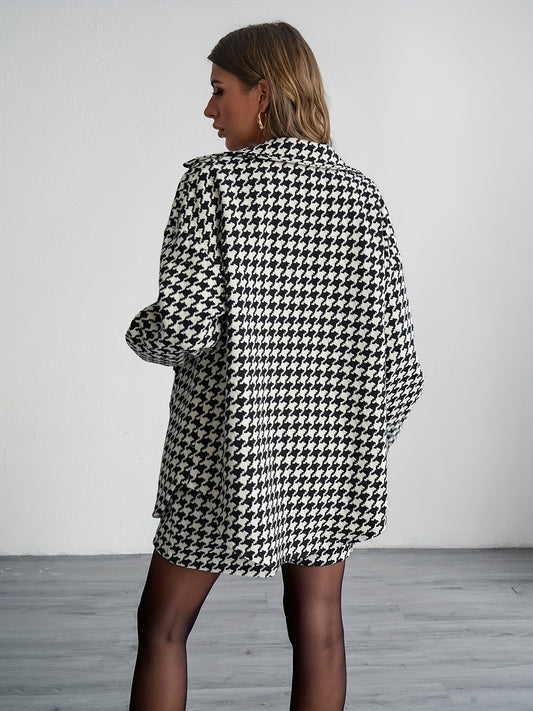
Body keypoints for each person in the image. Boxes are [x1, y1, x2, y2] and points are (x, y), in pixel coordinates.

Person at [125, 21, 423, 711]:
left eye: (218, 90)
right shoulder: (361, 196)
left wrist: (139, 330)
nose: (208, 109)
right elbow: (400, 365)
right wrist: (349, 442)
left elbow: (186, 327)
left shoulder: (212, 185)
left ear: (262, 93)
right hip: (326, 458)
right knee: (319, 631)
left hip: (218, 456)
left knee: (163, 626)